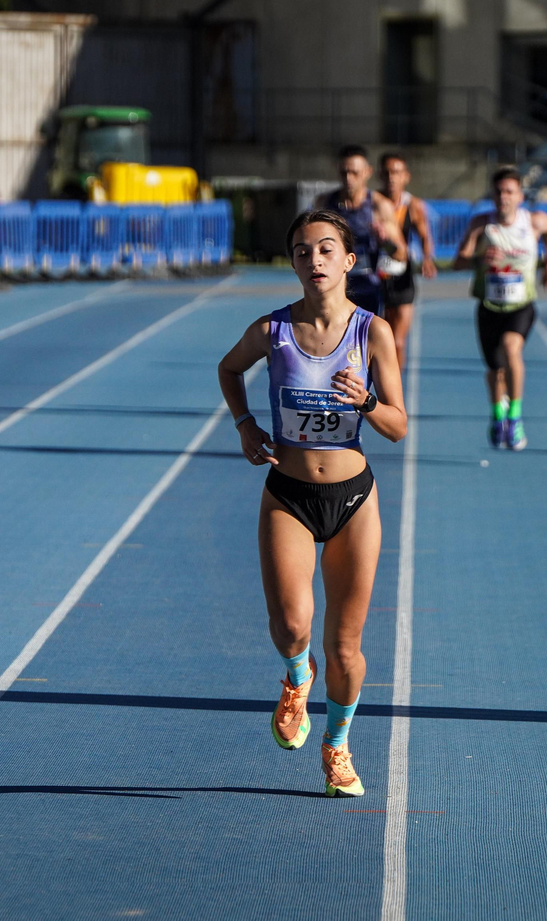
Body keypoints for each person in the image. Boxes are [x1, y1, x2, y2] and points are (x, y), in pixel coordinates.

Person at [216, 207, 407, 798]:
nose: (314, 259)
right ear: (294, 263)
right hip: (289, 494)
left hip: (352, 497)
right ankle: (297, 678)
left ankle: (338, 746)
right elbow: (228, 369)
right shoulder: (272, 331)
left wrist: (367, 402)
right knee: (292, 625)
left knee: (345, 645)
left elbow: (398, 427)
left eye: (326, 249)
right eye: (303, 251)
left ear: (349, 261)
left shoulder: (372, 331)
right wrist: (247, 425)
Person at [453, 166, 547, 449]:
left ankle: (515, 417)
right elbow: (458, 261)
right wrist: (480, 258)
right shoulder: (481, 224)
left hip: (521, 304)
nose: (504, 197)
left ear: (520, 196)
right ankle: (497, 413)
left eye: (509, 192)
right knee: (494, 369)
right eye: (499, 192)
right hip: (489, 306)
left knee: (512, 349)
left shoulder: (533, 221)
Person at [311, 145, 403, 316]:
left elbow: (400, 254)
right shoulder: (324, 203)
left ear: (367, 172)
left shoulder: (379, 206)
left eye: (354, 173)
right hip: (332, 289)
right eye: (343, 172)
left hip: (367, 291)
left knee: (363, 342)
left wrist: (384, 242)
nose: (348, 179)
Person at [377, 152, 438, 372]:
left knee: (397, 341)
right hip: (374, 277)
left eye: (396, 172)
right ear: (379, 175)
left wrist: (427, 259)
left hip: (402, 276)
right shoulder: (373, 203)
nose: (391, 177)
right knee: (373, 339)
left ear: (406, 176)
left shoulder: (413, 205)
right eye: (387, 172)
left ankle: (395, 392)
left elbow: (424, 234)